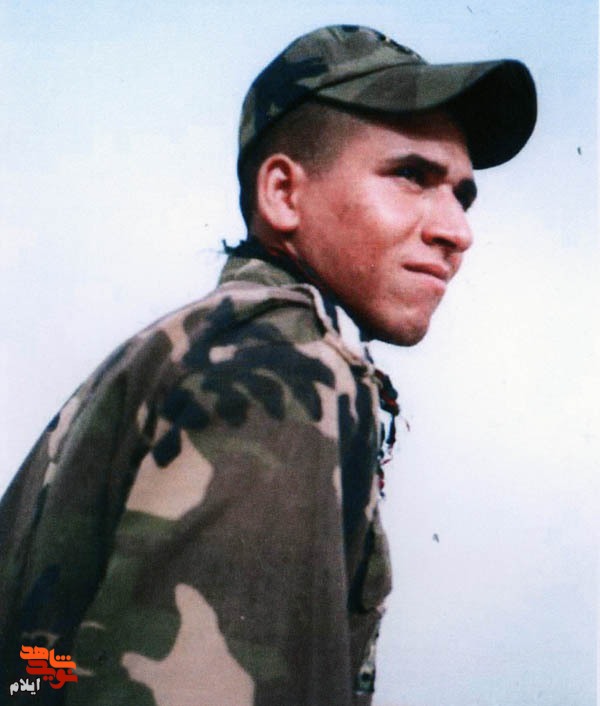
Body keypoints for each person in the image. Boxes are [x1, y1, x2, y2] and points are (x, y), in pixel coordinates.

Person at [0, 24, 536, 706]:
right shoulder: (286, 368)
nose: (457, 231)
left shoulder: (178, 355)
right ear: (283, 193)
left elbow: (36, 672)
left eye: (461, 195)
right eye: (412, 176)